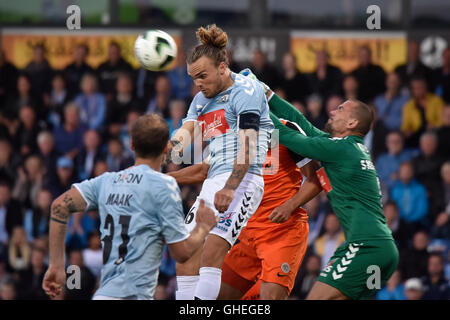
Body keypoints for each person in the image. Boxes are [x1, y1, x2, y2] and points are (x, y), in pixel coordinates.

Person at [249, 70, 398, 300]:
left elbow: (288, 136)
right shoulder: (347, 147)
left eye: (340, 109)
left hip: (365, 246)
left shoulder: (339, 150)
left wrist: (253, 105)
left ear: (352, 122)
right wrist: (265, 92)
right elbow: (300, 122)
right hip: (383, 250)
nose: (332, 111)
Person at [42, 113, 218, 300]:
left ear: (132, 144)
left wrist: (56, 266)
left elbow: (59, 206)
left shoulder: (106, 181)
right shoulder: (164, 186)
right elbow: (181, 253)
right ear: (167, 148)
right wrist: (203, 227)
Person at [167, 25, 273, 300]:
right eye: (193, 78)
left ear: (223, 67)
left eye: (202, 76)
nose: (198, 84)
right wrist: (164, 151)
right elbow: (185, 135)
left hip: (243, 180)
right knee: (187, 254)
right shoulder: (201, 100)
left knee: (211, 252)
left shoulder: (246, 90)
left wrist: (230, 187)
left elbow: (248, 145)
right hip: (213, 180)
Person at [170, 118, 322, 300]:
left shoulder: (284, 128)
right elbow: (203, 171)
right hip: (246, 232)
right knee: (214, 295)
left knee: (270, 299)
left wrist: (289, 206)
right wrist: (163, 178)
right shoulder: (230, 134)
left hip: (281, 232)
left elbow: (316, 178)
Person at [401, 76, 445, 147]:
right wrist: (407, 130)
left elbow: (443, 119)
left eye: (420, 87)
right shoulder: (408, 106)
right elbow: (405, 124)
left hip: (434, 132)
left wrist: (435, 125)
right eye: (415, 88)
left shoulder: (437, 101)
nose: (418, 90)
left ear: (425, 87)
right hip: (416, 133)